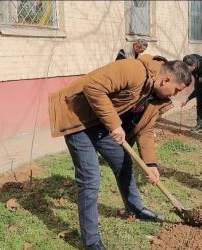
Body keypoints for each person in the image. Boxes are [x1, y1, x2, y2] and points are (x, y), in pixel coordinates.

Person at [48, 55, 191, 249]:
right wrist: (115, 125)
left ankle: (135, 209)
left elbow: (146, 130)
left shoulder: (157, 98)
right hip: (78, 119)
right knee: (90, 178)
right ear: (166, 80)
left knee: (123, 162)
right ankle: (91, 242)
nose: (173, 95)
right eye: (175, 90)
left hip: (100, 123)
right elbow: (93, 87)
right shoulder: (134, 70)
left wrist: (150, 164)